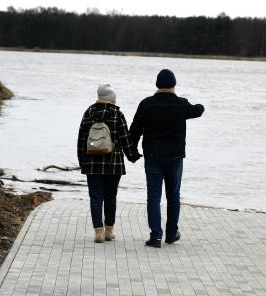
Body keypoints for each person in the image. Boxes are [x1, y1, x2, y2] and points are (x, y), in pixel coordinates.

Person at [130, 69, 205, 248]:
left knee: (154, 198)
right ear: (173, 84)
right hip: (175, 158)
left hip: (153, 157)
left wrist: (131, 152)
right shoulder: (181, 104)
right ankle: (171, 234)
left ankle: (155, 236)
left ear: (157, 84)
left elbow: (135, 131)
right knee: (173, 197)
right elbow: (198, 110)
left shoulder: (147, 104)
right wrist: (200, 106)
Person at [77, 84, 140, 243]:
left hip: (92, 163)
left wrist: (82, 162)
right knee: (110, 196)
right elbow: (125, 139)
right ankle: (109, 231)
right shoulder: (117, 114)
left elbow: (81, 140)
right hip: (114, 164)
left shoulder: (88, 112)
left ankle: (98, 233)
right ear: (112, 99)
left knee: (95, 196)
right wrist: (133, 156)